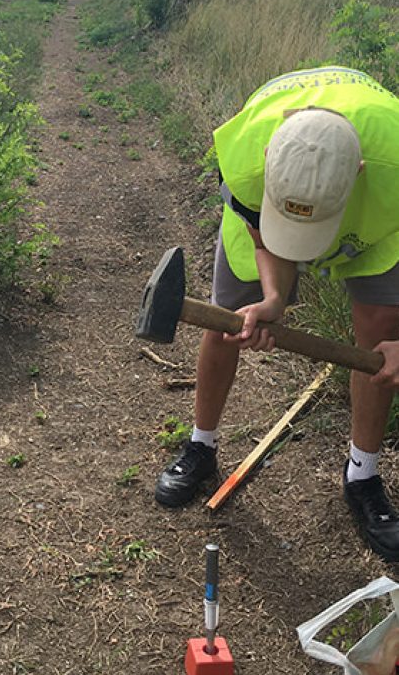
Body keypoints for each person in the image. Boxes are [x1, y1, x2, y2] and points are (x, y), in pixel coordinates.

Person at [155, 66, 399, 562]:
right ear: (269, 160)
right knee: (228, 316)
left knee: (380, 338)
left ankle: (363, 475)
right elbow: (262, 233)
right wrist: (273, 298)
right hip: (264, 217)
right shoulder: (246, 154)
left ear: (358, 172)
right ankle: (201, 447)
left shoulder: (394, 161)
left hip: (379, 220)